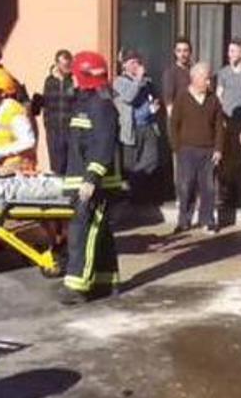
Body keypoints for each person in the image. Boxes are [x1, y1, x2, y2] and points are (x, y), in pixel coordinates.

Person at [58, 51, 122, 305]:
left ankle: (77, 285)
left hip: (95, 182)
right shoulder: (86, 102)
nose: (72, 81)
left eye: (75, 76)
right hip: (82, 178)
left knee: (82, 230)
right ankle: (106, 281)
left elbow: (103, 145)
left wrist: (91, 178)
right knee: (101, 232)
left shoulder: (101, 105)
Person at [170, 62, 224, 234]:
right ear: (194, 78)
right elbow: (173, 124)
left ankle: (207, 220)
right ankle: (184, 221)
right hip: (187, 149)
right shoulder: (182, 98)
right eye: (205, 79)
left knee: (208, 187)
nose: (208, 82)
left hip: (208, 150)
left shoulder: (213, 99)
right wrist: (176, 147)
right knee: (186, 186)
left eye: (209, 79)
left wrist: (218, 149)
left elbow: (218, 127)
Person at [216, 37, 241, 226]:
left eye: (233, 51)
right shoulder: (223, 73)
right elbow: (219, 95)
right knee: (228, 160)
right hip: (228, 123)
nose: (230, 54)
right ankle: (227, 197)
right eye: (229, 51)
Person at [112, 50, 160, 203]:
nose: (136, 65)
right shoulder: (119, 81)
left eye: (138, 62)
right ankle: (133, 196)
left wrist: (155, 105)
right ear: (124, 65)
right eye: (132, 62)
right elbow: (129, 96)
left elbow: (154, 97)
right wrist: (138, 79)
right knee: (130, 165)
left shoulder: (147, 81)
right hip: (130, 129)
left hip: (148, 125)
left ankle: (139, 189)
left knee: (152, 160)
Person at [33, 49, 76, 174]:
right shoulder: (49, 81)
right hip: (54, 130)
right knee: (57, 165)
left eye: (69, 64)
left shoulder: (73, 81)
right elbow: (46, 102)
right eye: (64, 65)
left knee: (72, 164)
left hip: (71, 128)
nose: (67, 68)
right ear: (57, 64)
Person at [161, 37, 193, 117]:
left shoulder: (194, 71)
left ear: (190, 52)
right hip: (179, 116)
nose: (182, 54)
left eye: (185, 51)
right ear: (175, 52)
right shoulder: (170, 73)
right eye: (179, 51)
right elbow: (168, 101)